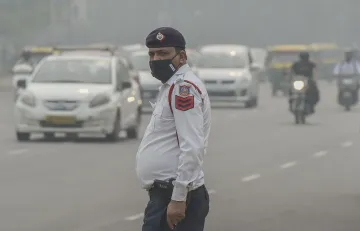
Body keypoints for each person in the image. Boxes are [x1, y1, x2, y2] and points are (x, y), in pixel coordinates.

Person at [136, 27, 211, 231]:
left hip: (175, 194)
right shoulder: (171, 86)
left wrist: (178, 198)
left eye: (163, 53)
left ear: (182, 57)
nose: (156, 59)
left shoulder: (182, 89)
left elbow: (192, 146)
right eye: (152, 54)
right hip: (167, 194)